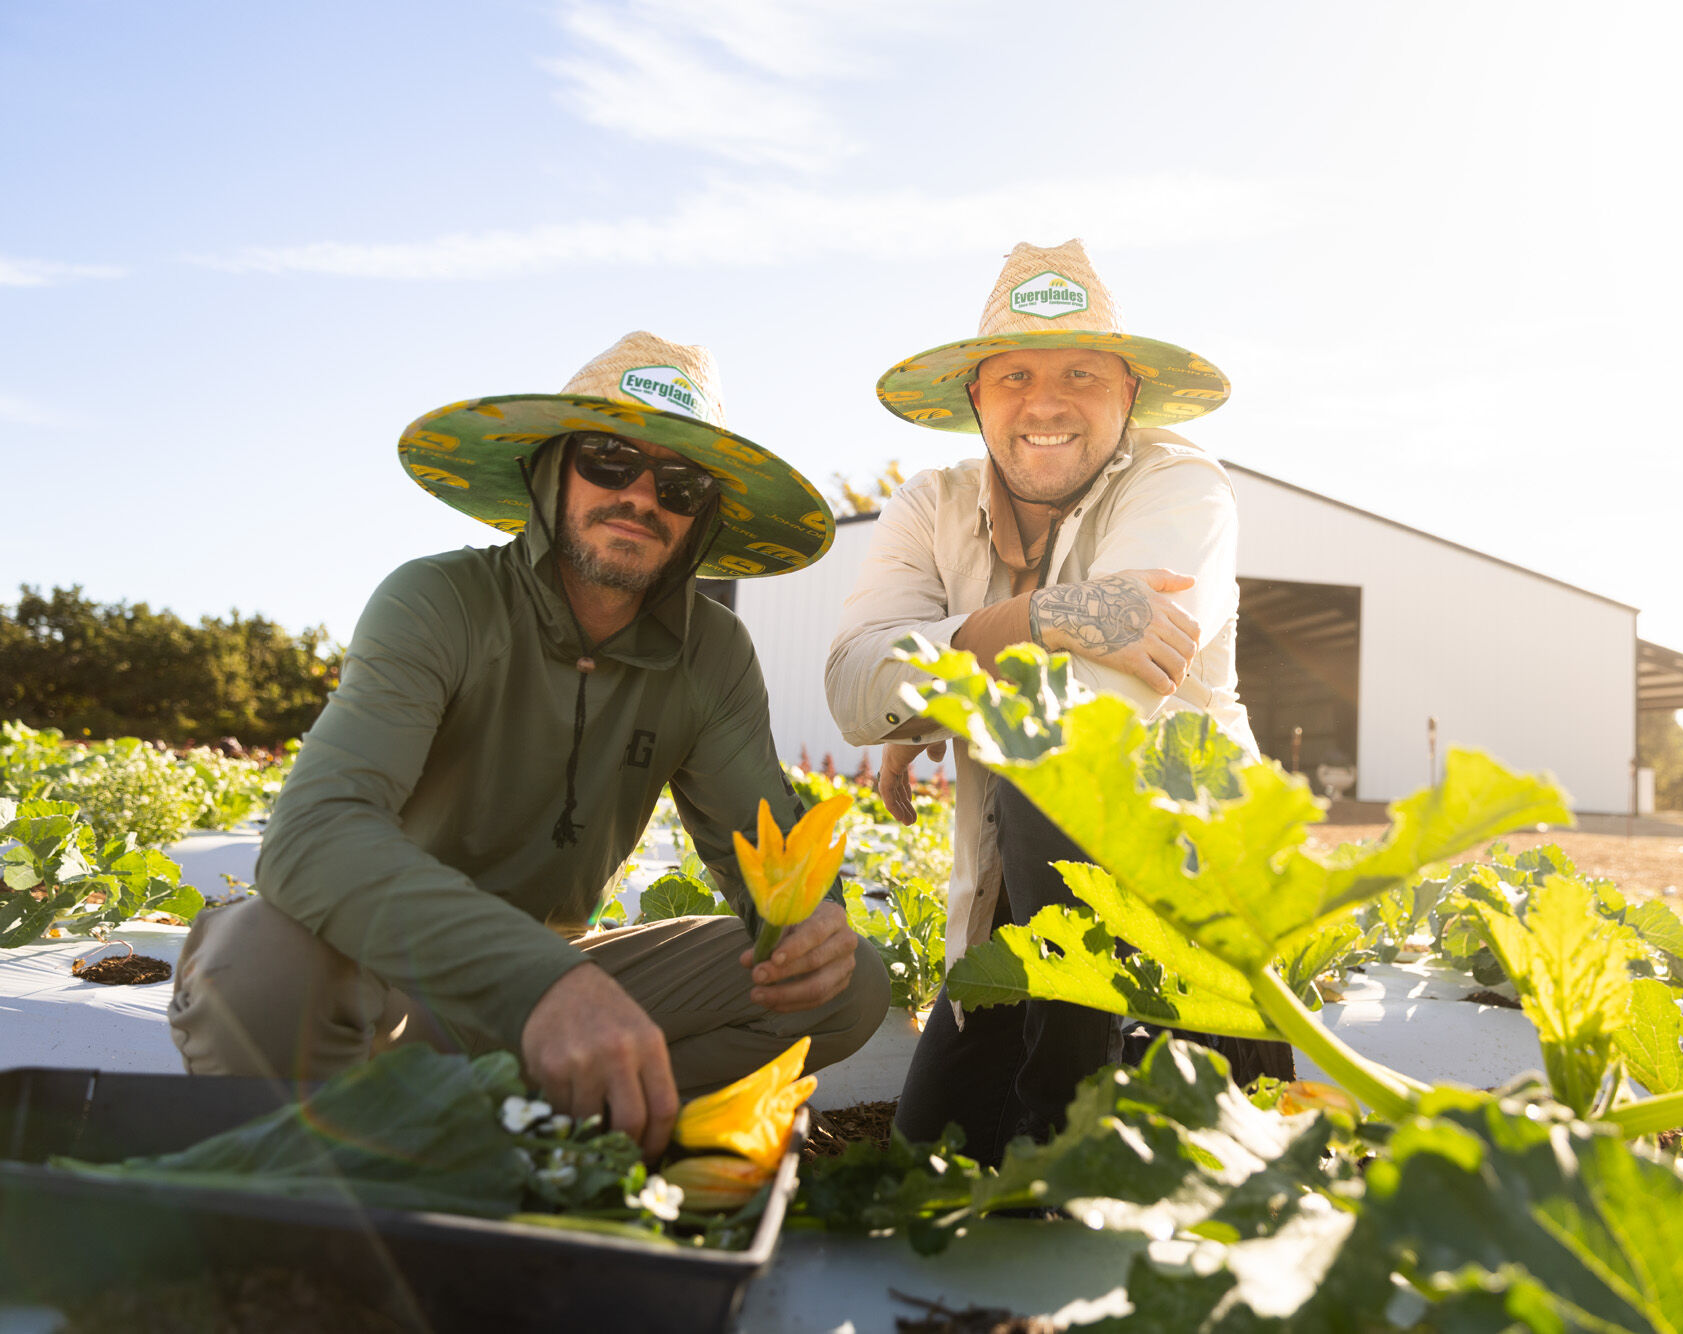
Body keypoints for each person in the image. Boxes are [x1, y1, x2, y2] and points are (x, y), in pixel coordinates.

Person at [170, 333, 889, 1160]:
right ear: (552, 471)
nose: (643, 496)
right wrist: (541, 981)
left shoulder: (712, 653)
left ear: (702, 519)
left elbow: (769, 851)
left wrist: (812, 922)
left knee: (840, 988)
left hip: (564, 980)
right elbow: (314, 835)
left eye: (681, 483)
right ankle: (344, 1190)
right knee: (258, 962)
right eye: (610, 461)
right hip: (384, 979)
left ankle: (554, 1136)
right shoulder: (438, 600)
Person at [825, 240, 1277, 1167]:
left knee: (1051, 748)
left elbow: (1085, 710)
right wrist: (1039, 615)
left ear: (1130, 396)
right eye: (1015, 375)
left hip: (1185, 930)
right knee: (924, 1158)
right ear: (976, 400)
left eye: (1082, 372)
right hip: (1012, 924)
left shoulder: (1180, 486)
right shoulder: (927, 507)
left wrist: (932, 693)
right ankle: (1049, 1123)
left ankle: (1073, 1129)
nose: (1047, 401)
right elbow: (850, 686)